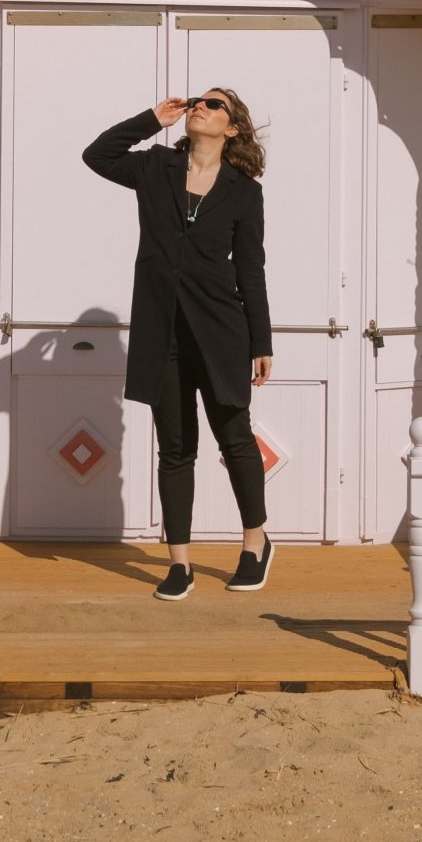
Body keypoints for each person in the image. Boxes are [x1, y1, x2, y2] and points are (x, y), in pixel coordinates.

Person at [82, 90, 274, 599]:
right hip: (160, 331)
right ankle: (180, 563)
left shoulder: (243, 191)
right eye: (196, 103)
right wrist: (151, 119)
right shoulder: (156, 168)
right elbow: (96, 155)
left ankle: (255, 543)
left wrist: (261, 339)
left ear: (232, 129)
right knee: (175, 449)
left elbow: (251, 271)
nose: (199, 108)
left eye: (213, 105)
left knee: (235, 440)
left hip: (222, 332)